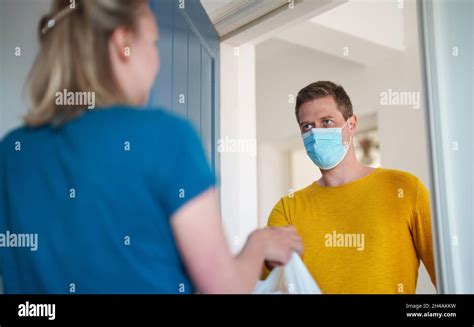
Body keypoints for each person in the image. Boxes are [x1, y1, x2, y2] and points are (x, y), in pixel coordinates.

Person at [0, 0, 303, 294]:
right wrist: (259, 244)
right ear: (123, 42)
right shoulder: (166, 137)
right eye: (154, 43)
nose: (157, 62)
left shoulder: (11, 153)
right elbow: (221, 289)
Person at [263, 81, 436, 294]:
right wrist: (266, 258)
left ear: (352, 124)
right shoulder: (287, 209)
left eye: (327, 122)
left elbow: (450, 278)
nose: (316, 134)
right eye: (307, 126)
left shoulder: (405, 189)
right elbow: (264, 285)